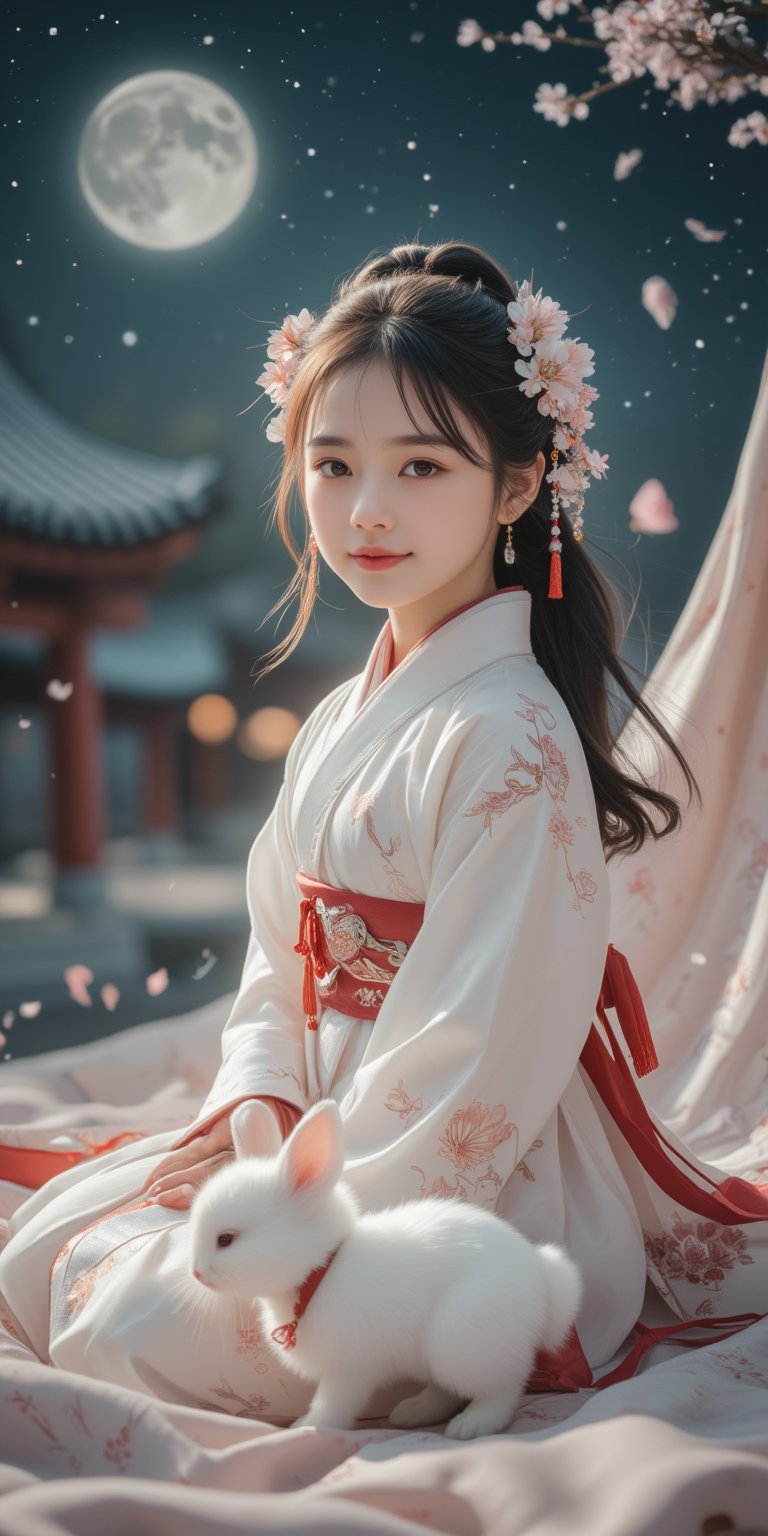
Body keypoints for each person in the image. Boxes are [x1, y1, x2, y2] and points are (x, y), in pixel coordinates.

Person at [1, 239, 766, 1425]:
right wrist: (258, 1125)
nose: (366, 511)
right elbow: (278, 954)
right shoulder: (341, 718)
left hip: (456, 1186)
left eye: (421, 466)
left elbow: (477, 1053)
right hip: (314, 1131)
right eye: (334, 463)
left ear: (518, 486)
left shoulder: (512, 738)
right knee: (55, 1233)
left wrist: (317, 1214)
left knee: (131, 1317)